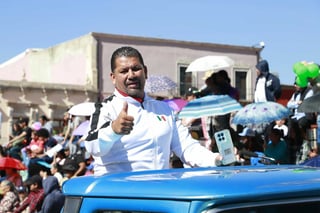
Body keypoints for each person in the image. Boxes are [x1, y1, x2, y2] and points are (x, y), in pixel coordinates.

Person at [84, 46, 222, 175]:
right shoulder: (105, 108)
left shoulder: (164, 109)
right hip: (119, 195)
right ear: (113, 78)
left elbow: (187, 148)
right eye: (124, 71)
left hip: (158, 193)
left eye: (136, 69)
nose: (131, 75)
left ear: (145, 72)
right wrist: (113, 130)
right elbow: (93, 147)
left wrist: (216, 159)